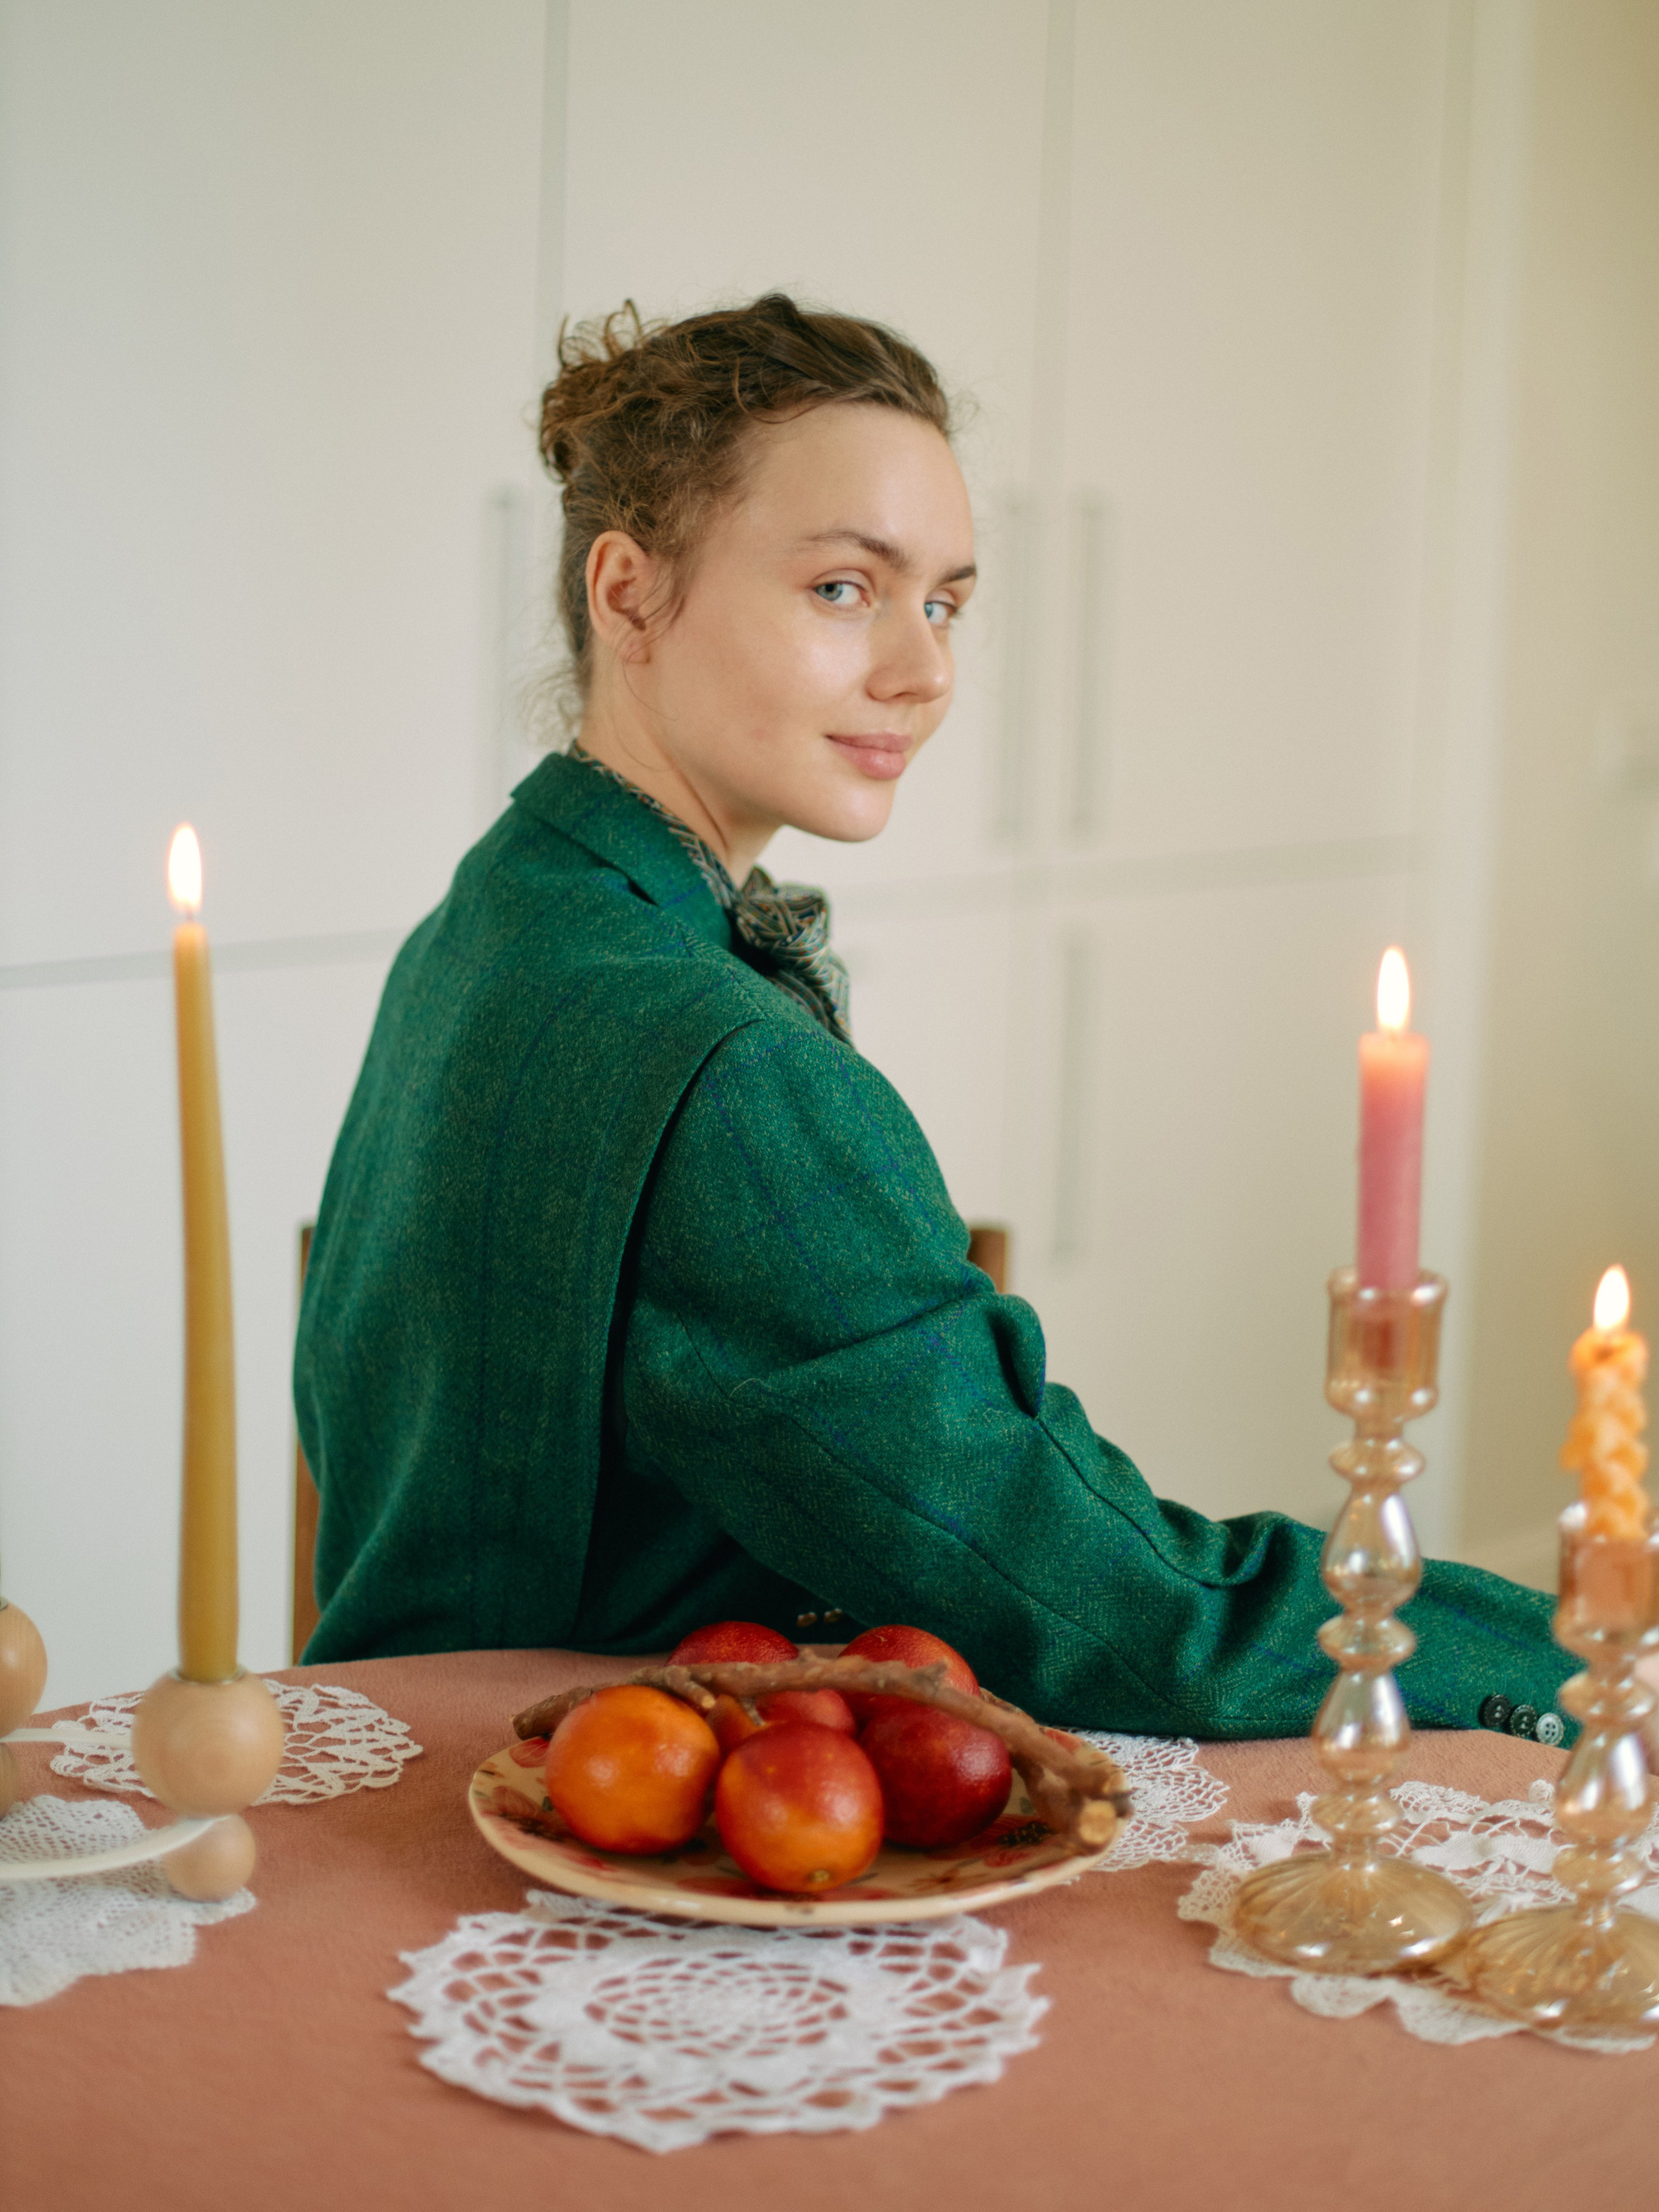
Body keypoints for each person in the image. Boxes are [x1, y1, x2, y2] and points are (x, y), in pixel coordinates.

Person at [294, 293, 1568, 1738]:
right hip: (606, 1848)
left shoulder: (499, 916)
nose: (923, 671)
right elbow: (1134, 1624)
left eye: (944, 600)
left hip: (414, 1756)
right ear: (628, 592)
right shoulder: (725, 1074)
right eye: (844, 588)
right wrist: (1590, 1665)